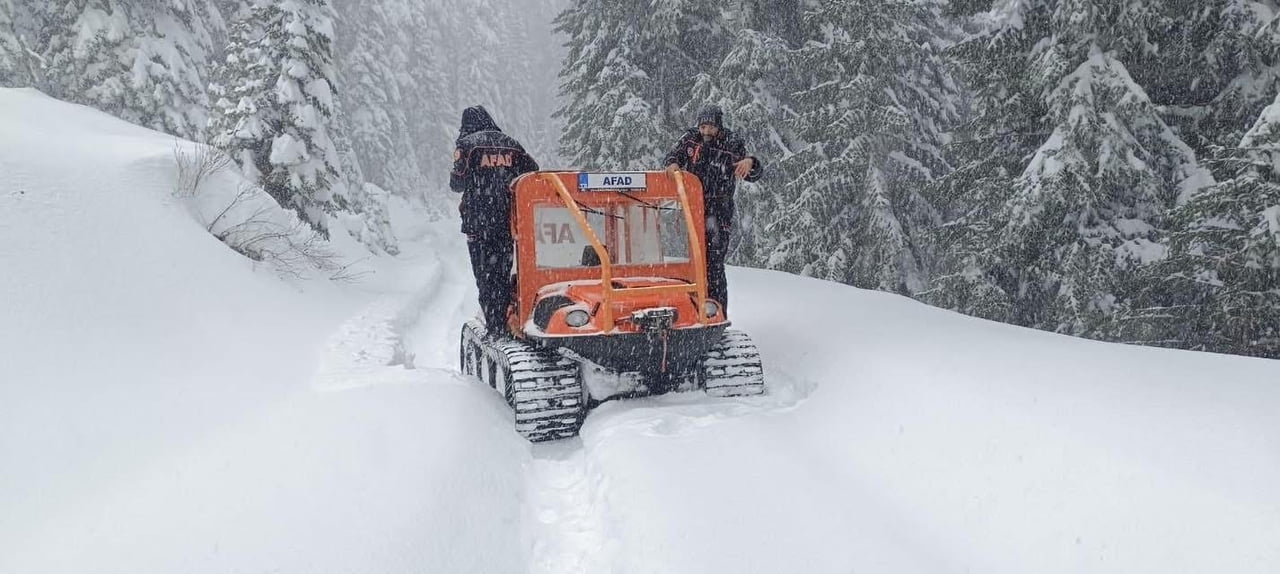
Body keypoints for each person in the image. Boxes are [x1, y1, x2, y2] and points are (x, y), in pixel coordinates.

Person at [663, 105, 764, 312]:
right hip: (691, 206)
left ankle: (714, 310)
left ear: (718, 126)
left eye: (710, 127)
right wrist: (672, 164)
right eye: (703, 127)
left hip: (718, 209)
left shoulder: (730, 143)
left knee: (713, 261)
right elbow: (672, 156)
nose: (706, 131)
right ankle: (686, 306)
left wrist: (751, 162)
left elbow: (750, 173)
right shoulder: (691, 139)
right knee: (686, 260)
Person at [450, 106, 539, 335]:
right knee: (502, 272)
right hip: (508, 222)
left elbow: (457, 183)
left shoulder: (467, 145)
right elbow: (533, 173)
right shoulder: (511, 144)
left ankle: (495, 327)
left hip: (478, 225)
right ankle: (509, 317)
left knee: (485, 277)